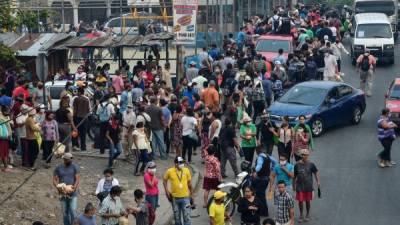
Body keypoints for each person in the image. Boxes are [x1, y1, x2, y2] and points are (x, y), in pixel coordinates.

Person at [163, 156, 193, 225]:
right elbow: (164, 181)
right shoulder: (169, 171)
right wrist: (167, 192)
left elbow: (189, 183)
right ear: (175, 164)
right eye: (180, 163)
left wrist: (191, 195)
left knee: (187, 218)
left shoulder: (186, 170)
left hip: (185, 198)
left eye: (182, 163)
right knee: (177, 218)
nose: (182, 164)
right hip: (174, 199)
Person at [53, 153, 81, 225]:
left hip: (73, 193)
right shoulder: (58, 168)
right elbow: (54, 180)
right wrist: (58, 186)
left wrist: (74, 188)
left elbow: (77, 179)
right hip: (62, 193)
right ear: (64, 160)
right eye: (68, 160)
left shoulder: (75, 167)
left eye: (71, 159)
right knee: (65, 212)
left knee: (73, 210)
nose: (70, 161)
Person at [293, 149, 320, 223]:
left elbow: (316, 172)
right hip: (299, 186)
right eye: (303, 155)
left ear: (308, 155)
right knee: (300, 201)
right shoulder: (297, 165)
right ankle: (301, 215)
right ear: (301, 155)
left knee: (308, 201)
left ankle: (307, 214)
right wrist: (293, 185)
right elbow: (294, 176)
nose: (304, 156)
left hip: (308, 186)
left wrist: (318, 181)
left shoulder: (311, 164)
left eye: (306, 155)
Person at [252, 146, 271, 217]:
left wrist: (255, 172)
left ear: (257, 152)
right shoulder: (268, 157)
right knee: (261, 195)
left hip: (261, 179)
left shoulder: (260, 157)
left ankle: (264, 212)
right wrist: (271, 169)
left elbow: (259, 166)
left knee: (260, 195)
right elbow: (275, 161)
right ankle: (261, 210)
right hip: (266, 179)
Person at [72, 87, 90, 151]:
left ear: (79, 92)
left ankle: (76, 145)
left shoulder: (76, 99)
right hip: (85, 118)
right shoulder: (87, 99)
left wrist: (73, 117)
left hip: (77, 118)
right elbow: (88, 110)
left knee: (76, 133)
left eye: (77, 92)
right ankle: (83, 147)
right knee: (83, 133)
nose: (76, 93)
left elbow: (75, 109)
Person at [0, 105, 12, 172]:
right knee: (1, 153)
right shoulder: (0, 117)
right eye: (7, 111)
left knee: (5, 153)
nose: (8, 112)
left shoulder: (7, 116)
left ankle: (6, 166)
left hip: (6, 137)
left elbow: (10, 126)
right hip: (1, 137)